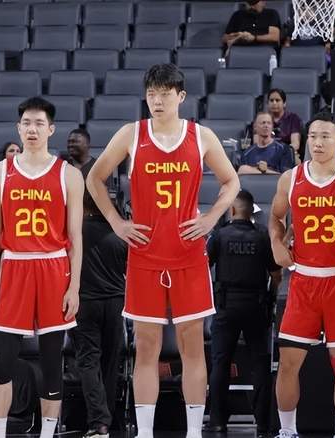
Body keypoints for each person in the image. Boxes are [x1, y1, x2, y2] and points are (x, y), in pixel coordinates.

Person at [87, 63, 240, 438]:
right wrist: (117, 222)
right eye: (151, 93)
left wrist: (212, 218)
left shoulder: (200, 136)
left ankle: (193, 432)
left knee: (192, 346)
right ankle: (144, 432)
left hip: (188, 254)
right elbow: (94, 178)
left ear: (180, 96)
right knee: (146, 346)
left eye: (165, 93)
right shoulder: (131, 134)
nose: (157, 100)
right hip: (145, 255)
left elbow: (231, 181)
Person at [0, 97, 83, 438]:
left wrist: (74, 287)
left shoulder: (69, 174)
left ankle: (48, 433)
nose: (32, 129)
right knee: (4, 360)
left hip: (54, 267)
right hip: (15, 266)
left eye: (39, 123)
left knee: (52, 360)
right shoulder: (0, 171)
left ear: (51, 129)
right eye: (26, 123)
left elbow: (75, 238)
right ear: (18, 128)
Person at [269, 112, 335, 438]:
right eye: (312, 136)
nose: (318, 142)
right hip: (304, 281)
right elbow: (276, 218)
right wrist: (277, 244)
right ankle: (287, 431)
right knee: (287, 362)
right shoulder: (291, 177)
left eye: (325, 136)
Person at [205, 190, 281, 436]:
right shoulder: (262, 236)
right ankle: (263, 424)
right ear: (251, 211)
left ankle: (217, 421)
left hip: (226, 306)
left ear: (232, 210)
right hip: (256, 306)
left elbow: (204, 267)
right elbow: (276, 274)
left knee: (220, 363)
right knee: (260, 364)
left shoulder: (220, 235)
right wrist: (270, 298)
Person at [70, 194, 127, 438]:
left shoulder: (76, 231)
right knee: (111, 362)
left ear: (83, 205)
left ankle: (99, 422)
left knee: (88, 361)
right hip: (115, 303)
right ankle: (108, 418)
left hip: (84, 302)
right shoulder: (120, 232)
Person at [262, 88, 302, 156]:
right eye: (271, 100)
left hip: (286, 154)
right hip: (266, 154)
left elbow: (295, 144)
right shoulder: (262, 119)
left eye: (277, 100)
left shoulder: (293, 118)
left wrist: (280, 152)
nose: (274, 103)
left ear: (284, 103)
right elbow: (257, 143)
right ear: (267, 103)